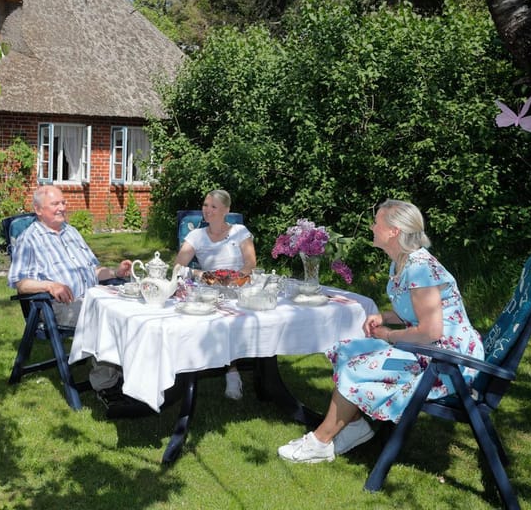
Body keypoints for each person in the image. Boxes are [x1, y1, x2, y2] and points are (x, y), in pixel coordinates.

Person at [277, 199, 484, 463]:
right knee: (346, 350)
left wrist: (388, 335)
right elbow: (416, 310)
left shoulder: (421, 268)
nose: (373, 227)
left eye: (377, 222)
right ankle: (354, 427)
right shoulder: (402, 262)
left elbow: (431, 330)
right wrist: (384, 315)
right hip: (428, 349)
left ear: (394, 231)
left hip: (446, 361)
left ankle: (320, 441)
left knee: (358, 365)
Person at [8, 185, 132, 391]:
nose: (62, 208)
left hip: (93, 296)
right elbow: (20, 283)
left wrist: (115, 273)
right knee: (105, 318)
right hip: (59, 305)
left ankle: (133, 375)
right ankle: (107, 384)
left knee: (130, 311)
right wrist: (50, 285)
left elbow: (94, 270)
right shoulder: (29, 239)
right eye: (55, 204)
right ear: (39, 210)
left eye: (63, 202)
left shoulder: (71, 232)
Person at [174, 188, 257, 399]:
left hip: (240, 287)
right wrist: (203, 275)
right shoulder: (197, 236)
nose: (207, 210)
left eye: (213, 207)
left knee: (238, 319)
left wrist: (236, 279)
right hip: (210, 289)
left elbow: (250, 263)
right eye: (205, 205)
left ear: (226, 210)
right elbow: (178, 266)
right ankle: (222, 369)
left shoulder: (239, 231)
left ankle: (234, 371)